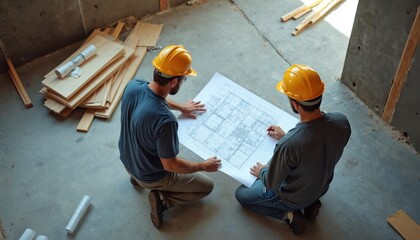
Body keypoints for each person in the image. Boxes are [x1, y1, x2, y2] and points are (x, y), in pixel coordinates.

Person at [235, 64, 351, 235]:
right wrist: (285, 137)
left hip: (292, 197)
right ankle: (310, 204)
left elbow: (271, 183)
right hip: (321, 186)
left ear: (294, 104)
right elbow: (317, 148)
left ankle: (288, 214)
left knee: (241, 194)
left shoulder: (290, 145)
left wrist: (262, 171)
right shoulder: (341, 122)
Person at [118, 45, 221, 228]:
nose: (182, 82)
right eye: (183, 79)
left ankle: (136, 177)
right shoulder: (165, 121)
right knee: (206, 186)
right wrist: (203, 165)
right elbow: (171, 165)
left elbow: (157, 96)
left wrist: (182, 107)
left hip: (126, 160)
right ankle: (163, 200)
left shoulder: (134, 85)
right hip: (150, 176)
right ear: (174, 82)